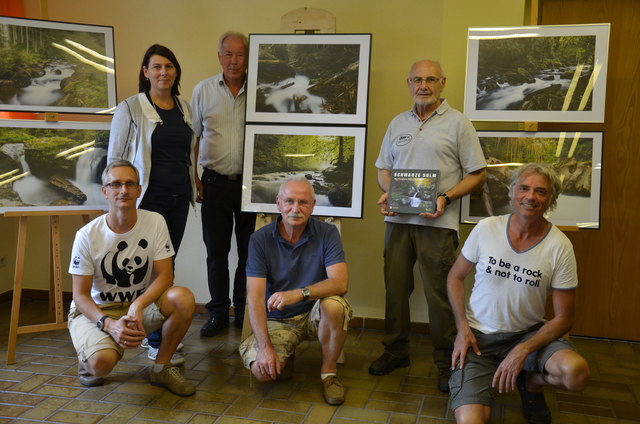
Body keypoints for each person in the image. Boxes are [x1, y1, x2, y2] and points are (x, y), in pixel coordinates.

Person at [370, 59, 487, 393]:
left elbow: (477, 173)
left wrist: (446, 198)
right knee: (395, 290)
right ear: (408, 83)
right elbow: (383, 169)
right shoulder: (397, 123)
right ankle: (395, 352)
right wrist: (388, 191)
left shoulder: (458, 124)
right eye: (417, 80)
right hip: (397, 221)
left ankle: (445, 362)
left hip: (439, 223)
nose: (423, 85)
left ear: (442, 83)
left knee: (440, 295)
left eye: (430, 79)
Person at [447, 163, 589, 424]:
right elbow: (455, 277)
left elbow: (564, 319)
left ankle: (531, 381)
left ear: (550, 201)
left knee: (574, 373)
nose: (530, 197)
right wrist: (462, 329)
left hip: (528, 334)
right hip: (478, 339)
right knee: (471, 421)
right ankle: (486, 382)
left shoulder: (560, 245)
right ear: (512, 192)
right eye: (524, 188)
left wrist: (523, 349)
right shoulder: (486, 228)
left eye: (540, 192)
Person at [68, 160, 196, 396]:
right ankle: (90, 357)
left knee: (183, 298)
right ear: (105, 191)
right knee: (101, 364)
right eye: (115, 184)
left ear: (139, 190)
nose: (123, 190)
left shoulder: (155, 221)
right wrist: (109, 325)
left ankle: (162, 367)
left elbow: (166, 276)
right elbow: (80, 296)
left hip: (136, 308)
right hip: (96, 310)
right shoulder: (87, 235)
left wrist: (138, 305)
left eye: (129, 184)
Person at [108, 44, 195, 365]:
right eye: (156, 67)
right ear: (146, 72)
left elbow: (188, 155)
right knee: (145, 269)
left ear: (176, 72)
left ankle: (159, 333)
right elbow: (115, 159)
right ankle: (152, 338)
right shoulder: (130, 108)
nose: (163, 72)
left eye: (169, 66)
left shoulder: (184, 109)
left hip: (178, 200)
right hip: (147, 201)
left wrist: (194, 182)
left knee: (166, 269)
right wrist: (119, 199)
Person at [238, 177, 352, 406]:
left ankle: (329, 374)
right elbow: (255, 297)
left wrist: (299, 294)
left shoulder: (328, 233)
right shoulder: (259, 239)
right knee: (263, 372)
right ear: (278, 203)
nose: (295, 209)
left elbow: (340, 283)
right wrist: (265, 348)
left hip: (314, 313)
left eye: (303, 202)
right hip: (278, 319)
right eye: (289, 201)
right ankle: (283, 355)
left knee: (334, 305)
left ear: (313, 205)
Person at [191, 31, 256, 337]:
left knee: (249, 252)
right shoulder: (203, 91)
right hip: (214, 182)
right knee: (216, 251)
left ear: (248, 57)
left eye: (240, 54)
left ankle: (243, 311)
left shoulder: (260, 91)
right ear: (219, 57)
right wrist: (194, 178)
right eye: (228, 54)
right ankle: (217, 312)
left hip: (251, 186)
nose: (234, 60)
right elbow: (193, 138)